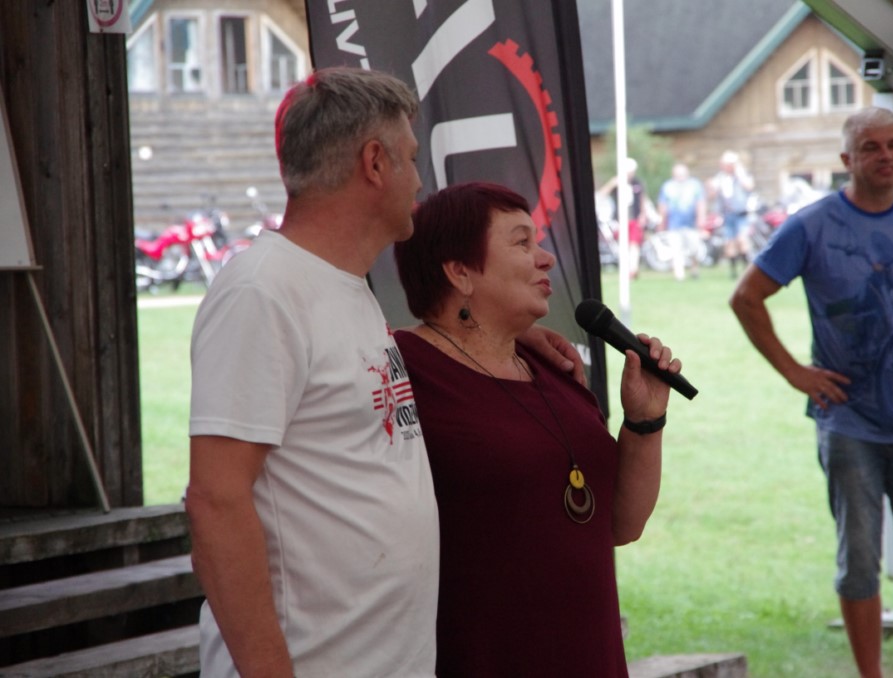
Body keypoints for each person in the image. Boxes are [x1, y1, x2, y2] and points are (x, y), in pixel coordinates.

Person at [186, 67, 583, 678]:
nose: (420, 181)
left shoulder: (346, 288)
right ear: (375, 163)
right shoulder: (262, 292)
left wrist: (500, 330)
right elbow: (216, 500)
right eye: (412, 158)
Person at [729, 107, 893, 678]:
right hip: (848, 424)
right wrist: (794, 372)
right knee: (858, 564)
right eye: (871, 147)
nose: (886, 156)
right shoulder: (811, 226)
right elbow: (746, 297)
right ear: (846, 159)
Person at [392, 181, 680, 677]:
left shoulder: (549, 363)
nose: (545, 259)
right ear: (460, 272)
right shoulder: (404, 368)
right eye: (522, 243)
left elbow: (621, 524)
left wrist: (645, 421)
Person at [599, 157, 648, 279]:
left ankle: (633, 269)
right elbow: (602, 194)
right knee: (623, 245)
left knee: (634, 244)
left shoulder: (637, 183)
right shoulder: (617, 182)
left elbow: (642, 199)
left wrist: (643, 215)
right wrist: (612, 183)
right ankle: (626, 269)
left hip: (634, 218)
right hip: (620, 220)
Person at [708, 150, 755, 278]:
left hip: (741, 213)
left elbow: (749, 187)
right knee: (729, 242)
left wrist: (739, 173)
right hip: (727, 214)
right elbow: (712, 195)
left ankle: (747, 270)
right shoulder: (720, 178)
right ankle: (733, 272)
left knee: (742, 240)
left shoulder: (742, 175)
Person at [657, 162, 707, 280]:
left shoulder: (695, 185)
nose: (680, 177)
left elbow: (700, 203)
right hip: (674, 224)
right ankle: (679, 275)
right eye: (678, 174)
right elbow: (663, 205)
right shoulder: (667, 186)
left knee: (694, 248)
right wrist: (662, 222)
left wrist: (701, 219)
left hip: (691, 224)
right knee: (676, 249)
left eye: (682, 174)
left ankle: (694, 268)